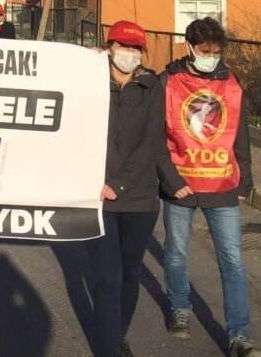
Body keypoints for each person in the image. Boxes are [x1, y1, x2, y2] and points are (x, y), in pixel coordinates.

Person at [157, 17, 261, 357]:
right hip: (181, 184)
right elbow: (156, 135)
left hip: (222, 183)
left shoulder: (231, 83)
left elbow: (240, 133)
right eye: (205, 51)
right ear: (189, 47)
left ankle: (239, 334)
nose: (211, 57)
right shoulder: (168, 81)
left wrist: (245, 180)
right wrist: (170, 180)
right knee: (176, 253)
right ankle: (179, 308)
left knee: (232, 259)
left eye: (216, 52)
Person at [84, 20, 163, 357]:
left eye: (134, 48)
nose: (128, 53)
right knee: (107, 278)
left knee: (130, 273)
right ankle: (108, 350)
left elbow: (151, 142)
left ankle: (118, 334)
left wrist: (119, 183)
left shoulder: (151, 86)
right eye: (122, 46)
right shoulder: (89, 79)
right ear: (109, 46)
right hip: (96, 195)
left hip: (139, 197)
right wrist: (83, 60)